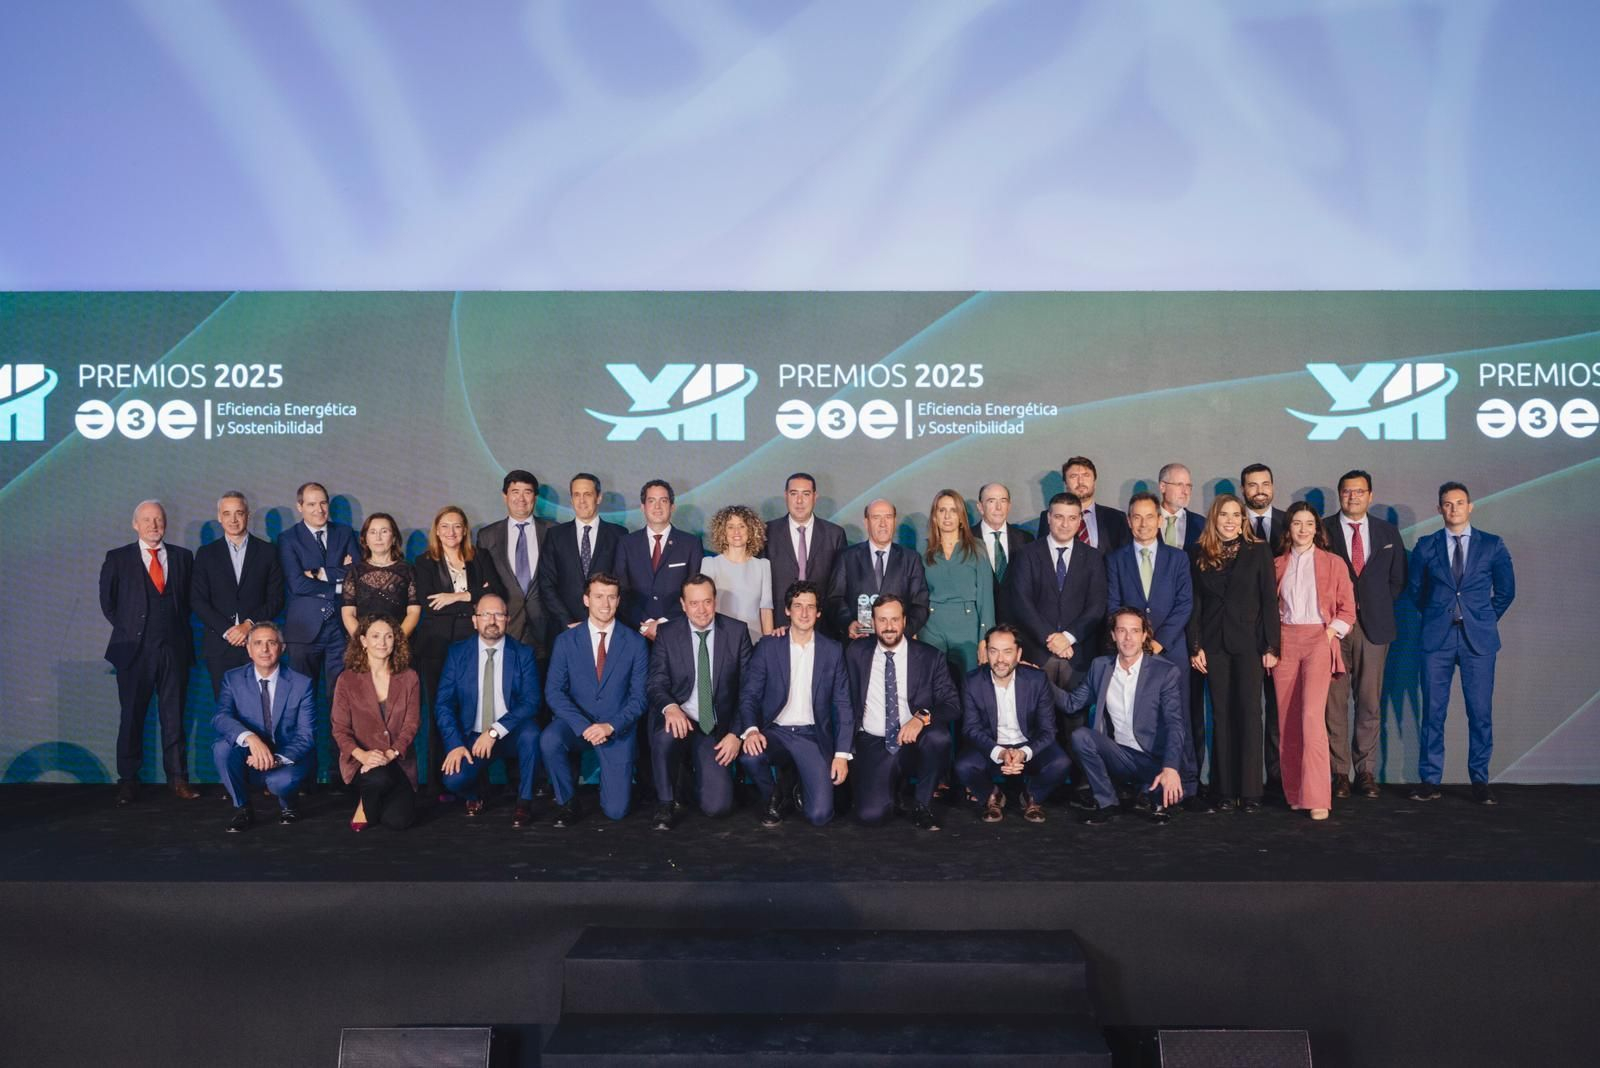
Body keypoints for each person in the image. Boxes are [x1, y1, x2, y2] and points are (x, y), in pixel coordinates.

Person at [1405, 482, 1515, 805]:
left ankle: (1479, 780)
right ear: (1439, 509)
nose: (1453, 509)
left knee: (1479, 712)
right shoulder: (1426, 546)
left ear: (1471, 506)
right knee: (1433, 712)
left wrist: (1480, 618)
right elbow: (1415, 591)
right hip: (1437, 639)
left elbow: (1506, 592)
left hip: (1477, 640)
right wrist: (1438, 614)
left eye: (1459, 503)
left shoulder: (1492, 545)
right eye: (1447, 504)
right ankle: (1429, 780)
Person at [99, 499, 199, 804]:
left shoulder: (183, 558)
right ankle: (129, 780)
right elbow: (109, 604)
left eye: (158, 519)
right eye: (147, 520)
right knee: (131, 717)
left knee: (174, 717)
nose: (153, 525)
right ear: (135, 525)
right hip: (133, 651)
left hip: (174, 649)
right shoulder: (117, 558)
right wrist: (134, 630)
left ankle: (178, 778)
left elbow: (188, 602)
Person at [1187, 493, 1280, 812]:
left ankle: (1252, 791)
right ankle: (1224, 791)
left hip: (1250, 646)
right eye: (1223, 515)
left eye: (1235, 515)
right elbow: (1195, 604)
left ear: (1243, 520)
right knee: (1221, 715)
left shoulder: (1259, 551)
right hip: (1213, 646)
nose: (1229, 520)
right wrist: (1195, 645)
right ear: (1214, 519)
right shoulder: (1198, 552)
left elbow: (1269, 600)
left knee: (1251, 714)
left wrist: (1272, 645)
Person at [1106, 492, 1200, 806]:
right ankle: (1143, 783)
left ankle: (1186, 785)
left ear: (1160, 520)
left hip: (1169, 652)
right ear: (1129, 521)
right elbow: (1114, 605)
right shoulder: (1116, 559)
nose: (1143, 523)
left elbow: (1184, 604)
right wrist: (1134, 645)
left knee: (1178, 718)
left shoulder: (1177, 558)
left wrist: (1158, 642)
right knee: (1135, 718)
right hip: (1130, 654)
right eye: (1136, 517)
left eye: (1150, 517)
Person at [737, 581, 853, 827]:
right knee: (750, 756)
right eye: (798, 606)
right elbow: (749, 694)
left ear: (819, 613)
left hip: (811, 735)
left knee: (819, 816)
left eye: (810, 607)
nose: (804, 613)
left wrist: (842, 755)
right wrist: (751, 730)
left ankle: (796, 781)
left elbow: (843, 704)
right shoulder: (769, 646)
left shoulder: (832, 651)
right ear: (787, 610)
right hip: (776, 731)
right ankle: (775, 796)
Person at [1063, 608, 1193, 825]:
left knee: (1164, 802)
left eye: (1134, 631)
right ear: (1113, 635)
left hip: (1155, 762)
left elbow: (1175, 724)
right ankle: (1107, 803)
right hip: (1121, 757)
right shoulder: (1101, 666)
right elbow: (1071, 704)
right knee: (1081, 736)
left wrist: (1170, 767)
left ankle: (1149, 792)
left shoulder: (1165, 672)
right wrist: (1038, 680)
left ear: (1144, 636)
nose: (1128, 638)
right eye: (1122, 630)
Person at [1323, 470, 1407, 800]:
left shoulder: (1387, 532)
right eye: (1346, 491)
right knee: (1334, 705)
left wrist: (1375, 606)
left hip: (1375, 628)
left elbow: (1397, 580)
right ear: (1339, 495)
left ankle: (1366, 771)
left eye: (1359, 492)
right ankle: (1339, 773)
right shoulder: (1324, 530)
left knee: (1369, 704)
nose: (1353, 497)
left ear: (1370, 496)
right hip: (1333, 630)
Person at [844, 594, 962, 830]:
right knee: (871, 815)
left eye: (895, 620)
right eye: (883, 620)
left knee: (938, 737)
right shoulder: (856, 652)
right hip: (873, 740)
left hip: (914, 740)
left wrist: (921, 718)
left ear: (905, 621)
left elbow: (952, 704)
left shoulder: (930, 656)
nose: (889, 627)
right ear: (873, 622)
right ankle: (893, 791)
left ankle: (922, 805)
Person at [644, 574, 753, 828]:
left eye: (707, 602)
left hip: (714, 726)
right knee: (664, 736)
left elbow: (749, 691)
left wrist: (737, 733)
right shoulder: (668, 633)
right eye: (694, 603)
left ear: (715, 601)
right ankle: (665, 802)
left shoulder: (737, 632)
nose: (701, 610)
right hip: (681, 718)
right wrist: (670, 707)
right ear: (683, 604)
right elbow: (655, 682)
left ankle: (688, 779)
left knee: (718, 808)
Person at [412, 505, 506, 798]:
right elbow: (429, 604)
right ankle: (437, 784)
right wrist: (475, 597)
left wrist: (457, 596)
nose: (451, 532)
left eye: (457, 526)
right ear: (436, 531)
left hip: (474, 642)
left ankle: (475, 784)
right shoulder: (424, 563)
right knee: (440, 712)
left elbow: (497, 594)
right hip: (436, 646)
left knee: (474, 711)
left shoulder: (479, 557)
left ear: (465, 530)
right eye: (445, 527)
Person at [542, 572, 649, 825]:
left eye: (612, 597)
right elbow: (554, 692)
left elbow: (640, 698)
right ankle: (567, 802)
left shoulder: (635, 643)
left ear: (619, 601)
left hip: (616, 728)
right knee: (549, 739)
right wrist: (583, 725)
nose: (605, 603)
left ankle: (612, 789)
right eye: (599, 596)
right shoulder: (566, 641)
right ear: (586, 600)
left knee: (615, 811)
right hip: (576, 724)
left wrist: (610, 726)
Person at [1272, 502, 1356, 821]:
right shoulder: (1276, 564)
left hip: (1320, 640)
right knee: (1287, 721)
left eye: (1309, 523)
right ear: (1289, 528)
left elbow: (1348, 609)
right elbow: (1269, 609)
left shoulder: (1333, 563)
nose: (1303, 529)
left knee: (1311, 718)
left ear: (1317, 529)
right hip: (1285, 641)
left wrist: (1330, 635)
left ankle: (1318, 796)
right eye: (1297, 523)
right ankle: (1295, 793)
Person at [435, 593, 543, 827]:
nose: (492, 620)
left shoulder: (523, 653)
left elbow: (531, 701)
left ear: (507, 619)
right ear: (475, 620)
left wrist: (495, 731)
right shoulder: (457, 653)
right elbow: (443, 704)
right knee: (453, 780)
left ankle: (524, 802)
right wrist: (454, 744)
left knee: (532, 734)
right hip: (472, 736)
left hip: (509, 732)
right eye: (485, 614)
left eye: (498, 614)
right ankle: (475, 795)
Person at [279, 481, 359, 784]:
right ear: (300, 507)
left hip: (341, 628)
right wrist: (340, 575)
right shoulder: (288, 539)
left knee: (339, 703)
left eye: (323, 503)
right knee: (302, 705)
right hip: (303, 632)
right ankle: (304, 775)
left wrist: (321, 572)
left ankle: (340, 774)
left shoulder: (345, 533)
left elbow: (357, 574)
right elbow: (297, 584)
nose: (319, 509)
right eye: (311, 504)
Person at [953, 625, 1070, 823]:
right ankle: (993, 795)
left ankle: (1031, 795)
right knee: (963, 766)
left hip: (1028, 744)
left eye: (1007, 652)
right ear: (986, 652)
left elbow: (1048, 730)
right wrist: (1000, 752)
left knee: (1061, 763)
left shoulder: (1037, 679)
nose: (1000, 660)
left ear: (1018, 653)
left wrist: (1024, 752)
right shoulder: (972, 681)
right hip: (991, 745)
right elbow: (970, 729)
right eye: (993, 651)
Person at [211, 622, 315, 831]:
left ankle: (290, 805)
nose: (265, 649)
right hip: (249, 755)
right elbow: (220, 717)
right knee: (222, 748)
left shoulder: (302, 683)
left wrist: (274, 760)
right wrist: (251, 738)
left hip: (287, 758)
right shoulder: (233, 678)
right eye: (258, 643)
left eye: (271, 643)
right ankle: (243, 808)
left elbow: (307, 735)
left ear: (282, 647)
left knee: (280, 782)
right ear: (249, 649)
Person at [1005, 493, 1107, 696]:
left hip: (1077, 655)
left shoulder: (1093, 557)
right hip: (1037, 653)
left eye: (1072, 518)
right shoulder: (1027, 554)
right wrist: (1051, 639)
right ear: (1049, 518)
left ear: (1079, 520)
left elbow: (1097, 605)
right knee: (1036, 720)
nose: (1065, 524)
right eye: (1059, 517)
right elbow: (1021, 602)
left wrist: (1068, 638)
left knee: (1075, 722)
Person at [191, 491, 284, 701]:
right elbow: (198, 600)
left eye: (239, 513)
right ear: (219, 517)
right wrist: (227, 630)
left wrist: (249, 625)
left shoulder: (267, 551)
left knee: (260, 708)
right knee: (225, 710)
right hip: (219, 646)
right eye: (227, 514)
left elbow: (276, 598)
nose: (233, 520)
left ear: (248, 515)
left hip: (258, 645)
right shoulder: (206, 554)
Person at [331, 615, 421, 831]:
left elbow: (411, 725)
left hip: (397, 759)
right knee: (377, 779)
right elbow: (340, 729)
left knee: (398, 821)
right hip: (362, 761)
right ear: (363, 641)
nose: (382, 643)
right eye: (375, 636)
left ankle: (379, 797)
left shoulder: (409, 677)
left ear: (395, 641)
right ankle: (366, 799)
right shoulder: (347, 679)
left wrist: (392, 753)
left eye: (388, 636)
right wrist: (362, 755)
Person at [1239, 462, 1289, 796]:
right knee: (1245, 709)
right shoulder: (1230, 523)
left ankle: (1277, 779)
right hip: (1241, 633)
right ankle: (1247, 780)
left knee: (1278, 711)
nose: (1259, 490)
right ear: (1243, 489)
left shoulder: (1292, 523)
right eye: (1252, 485)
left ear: (1273, 486)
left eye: (1265, 484)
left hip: (1283, 631)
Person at [537, 472, 627, 634]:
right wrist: (567, 621)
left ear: (598, 498)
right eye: (576, 495)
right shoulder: (555, 535)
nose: (582, 501)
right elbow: (546, 583)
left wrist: (603, 619)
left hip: (607, 627)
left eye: (587, 494)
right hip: (565, 628)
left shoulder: (618, 535)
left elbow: (623, 582)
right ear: (571, 500)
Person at [827, 499, 930, 638]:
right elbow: (835, 599)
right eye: (876, 517)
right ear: (866, 522)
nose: (883, 524)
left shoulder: (911, 559)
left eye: (888, 517)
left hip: (899, 646)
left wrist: (901, 633)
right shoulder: (846, 557)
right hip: (858, 644)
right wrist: (848, 623)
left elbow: (920, 605)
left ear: (895, 521)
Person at [476, 469, 552, 656]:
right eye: (515, 492)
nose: (521, 498)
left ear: (535, 497)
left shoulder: (553, 531)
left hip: (545, 626)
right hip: (505, 625)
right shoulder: (487, 536)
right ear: (505, 496)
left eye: (527, 492)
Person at [921, 489, 995, 677]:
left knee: (970, 685)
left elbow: (986, 597)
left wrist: (985, 639)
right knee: (931, 684)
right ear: (935, 516)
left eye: (953, 510)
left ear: (961, 517)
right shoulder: (924, 548)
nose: (947, 516)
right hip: (932, 625)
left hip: (967, 627)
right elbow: (918, 593)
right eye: (942, 510)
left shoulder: (976, 547)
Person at [617, 479, 703, 639]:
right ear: (643, 507)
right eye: (651, 501)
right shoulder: (627, 543)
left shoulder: (690, 544)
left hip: (677, 632)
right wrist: (645, 624)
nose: (657, 507)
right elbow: (622, 590)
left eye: (663, 501)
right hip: (635, 632)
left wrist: (664, 623)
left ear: (672, 507)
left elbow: (693, 591)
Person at [762, 472, 847, 632]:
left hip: (823, 627)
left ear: (815, 497)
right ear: (786, 496)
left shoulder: (835, 534)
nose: (799, 501)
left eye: (806, 494)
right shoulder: (767, 532)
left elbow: (839, 588)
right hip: (778, 625)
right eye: (794, 494)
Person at [701, 504, 774, 644]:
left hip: (754, 642)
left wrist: (769, 646)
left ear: (751, 530)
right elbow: (704, 609)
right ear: (723, 531)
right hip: (720, 642)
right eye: (730, 526)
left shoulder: (762, 566)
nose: (736, 532)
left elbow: (766, 611)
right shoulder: (710, 564)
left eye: (742, 526)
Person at [340, 512, 420, 637]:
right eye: (372, 532)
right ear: (365, 539)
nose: (378, 538)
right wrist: (364, 642)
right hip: (363, 646)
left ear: (393, 538)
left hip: (401, 643)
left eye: (384, 531)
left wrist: (396, 641)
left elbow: (413, 612)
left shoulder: (408, 570)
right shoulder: (355, 571)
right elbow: (348, 614)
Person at [1036, 456, 1130, 552]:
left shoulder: (1117, 517)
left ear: (1094, 482)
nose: (1080, 481)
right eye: (1074, 476)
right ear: (1065, 484)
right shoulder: (1049, 517)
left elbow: (1125, 558)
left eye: (1086, 475)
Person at [974, 481, 1033, 625]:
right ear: (980, 507)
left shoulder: (1026, 539)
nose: (998, 507)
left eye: (1003, 501)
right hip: (978, 624)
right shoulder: (966, 539)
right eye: (991, 501)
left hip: (1018, 626)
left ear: (1009, 506)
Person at [1156, 462, 1206, 549]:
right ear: (1162, 487)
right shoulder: (1147, 521)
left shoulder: (1202, 524)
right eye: (1179, 485)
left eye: (1188, 486)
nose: (1185, 492)